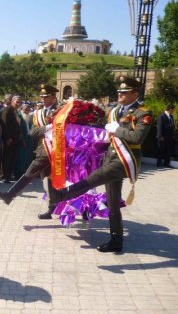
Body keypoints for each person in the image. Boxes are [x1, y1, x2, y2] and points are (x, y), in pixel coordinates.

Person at [48, 76, 153, 252]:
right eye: (119, 91)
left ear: (135, 93)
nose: (120, 94)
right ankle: (116, 240)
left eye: (125, 92)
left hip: (125, 160)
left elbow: (137, 137)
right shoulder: (113, 111)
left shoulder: (143, 113)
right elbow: (101, 133)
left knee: (95, 177)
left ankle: (62, 195)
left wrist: (117, 130)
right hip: (111, 156)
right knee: (112, 202)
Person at [0, 84, 59, 220]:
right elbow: (33, 132)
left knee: (31, 172)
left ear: (53, 97)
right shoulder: (39, 113)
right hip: (43, 148)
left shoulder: (59, 111)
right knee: (48, 181)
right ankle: (52, 208)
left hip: (55, 150)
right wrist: (47, 127)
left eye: (45, 96)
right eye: (41, 96)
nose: (42, 98)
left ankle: (10, 195)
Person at [0, 95, 23, 183]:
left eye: (20, 102)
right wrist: (7, 137)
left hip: (15, 139)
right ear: (12, 101)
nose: (18, 104)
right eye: (17, 102)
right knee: (6, 158)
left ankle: (8, 175)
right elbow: (4, 124)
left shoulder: (15, 111)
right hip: (8, 139)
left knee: (12, 158)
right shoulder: (7, 110)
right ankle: (3, 176)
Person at [156, 103, 175, 168]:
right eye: (173, 110)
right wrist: (160, 136)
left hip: (169, 137)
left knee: (168, 150)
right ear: (170, 109)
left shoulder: (171, 117)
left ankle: (166, 163)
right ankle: (158, 163)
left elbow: (172, 126)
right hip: (163, 137)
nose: (173, 111)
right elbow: (159, 127)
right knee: (161, 150)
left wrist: (172, 135)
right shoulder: (161, 116)